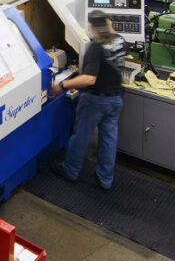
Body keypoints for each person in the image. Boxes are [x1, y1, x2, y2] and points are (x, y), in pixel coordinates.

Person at [51, 11, 127, 190]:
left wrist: (62, 84)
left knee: (81, 136)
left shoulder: (96, 48)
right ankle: (105, 179)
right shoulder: (120, 40)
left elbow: (89, 79)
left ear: (92, 27)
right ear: (109, 23)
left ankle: (70, 170)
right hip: (116, 98)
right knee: (109, 138)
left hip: (96, 100)